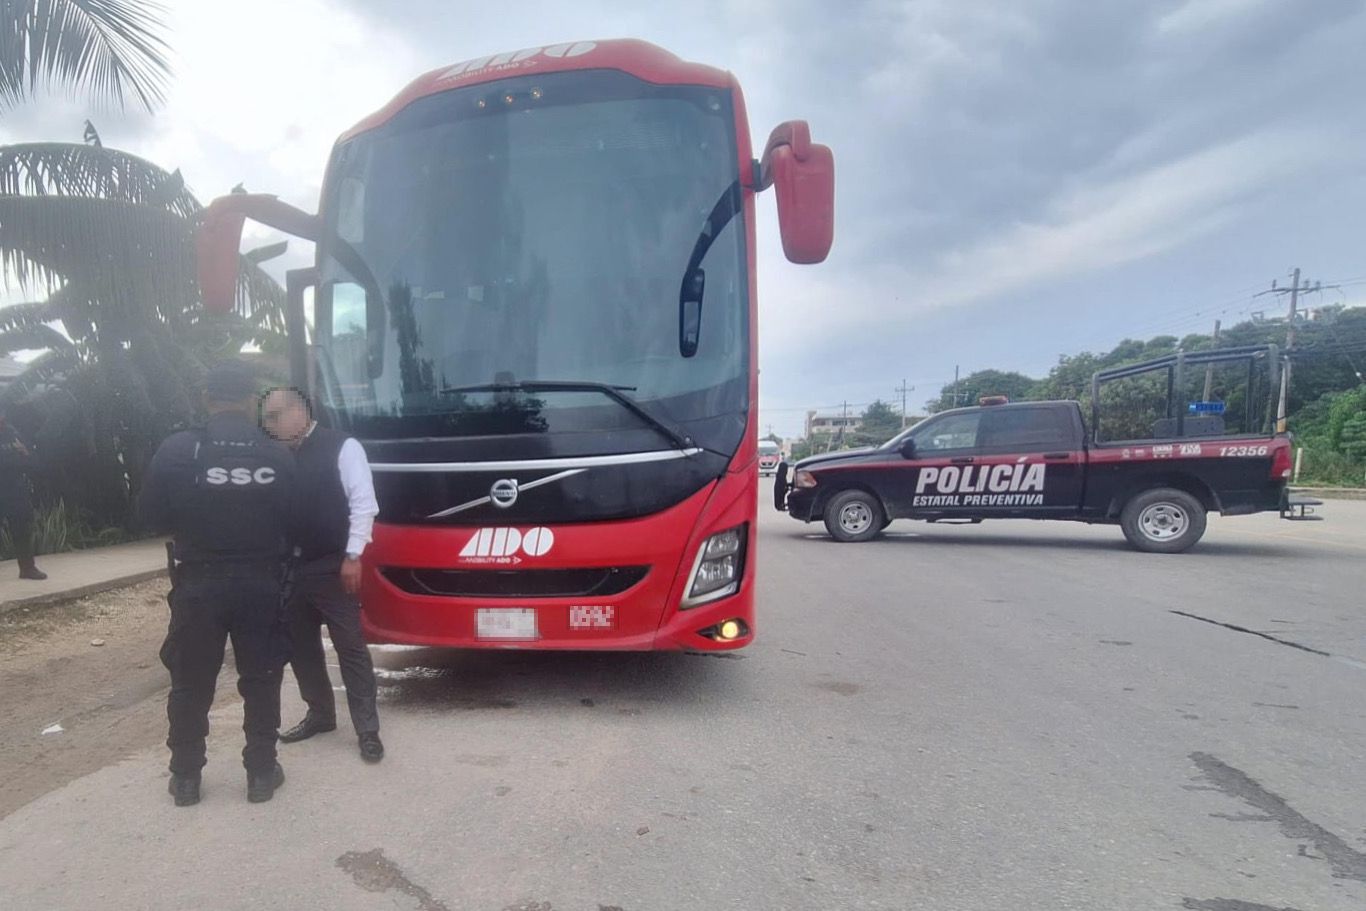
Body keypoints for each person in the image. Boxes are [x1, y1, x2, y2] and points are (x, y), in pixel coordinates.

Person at [137, 362, 297, 807]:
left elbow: (150, 517)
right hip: (262, 583)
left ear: (207, 398)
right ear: (250, 401)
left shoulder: (177, 450)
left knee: (191, 682)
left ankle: (186, 778)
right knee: (261, 679)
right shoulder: (277, 454)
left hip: (198, 584)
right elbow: (297, 520)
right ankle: (261, 774)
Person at [261, 387, 384, 763]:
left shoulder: (343, 447)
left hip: (334, 566)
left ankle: (367, 729)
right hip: (290, 570)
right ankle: (321, 713)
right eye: (265, 419)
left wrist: (353, 555)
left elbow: (364, 504)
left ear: (299, 412)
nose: (269, 426)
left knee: (350, 647)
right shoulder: (275, 455)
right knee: (301, 647)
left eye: (274, 417)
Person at [0, 407, 47, 581]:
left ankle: (27, 568)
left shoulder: (13, 433)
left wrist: (23, 456)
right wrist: (17, 458)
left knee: (22, 531)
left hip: (16, 491)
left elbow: (33, 461)